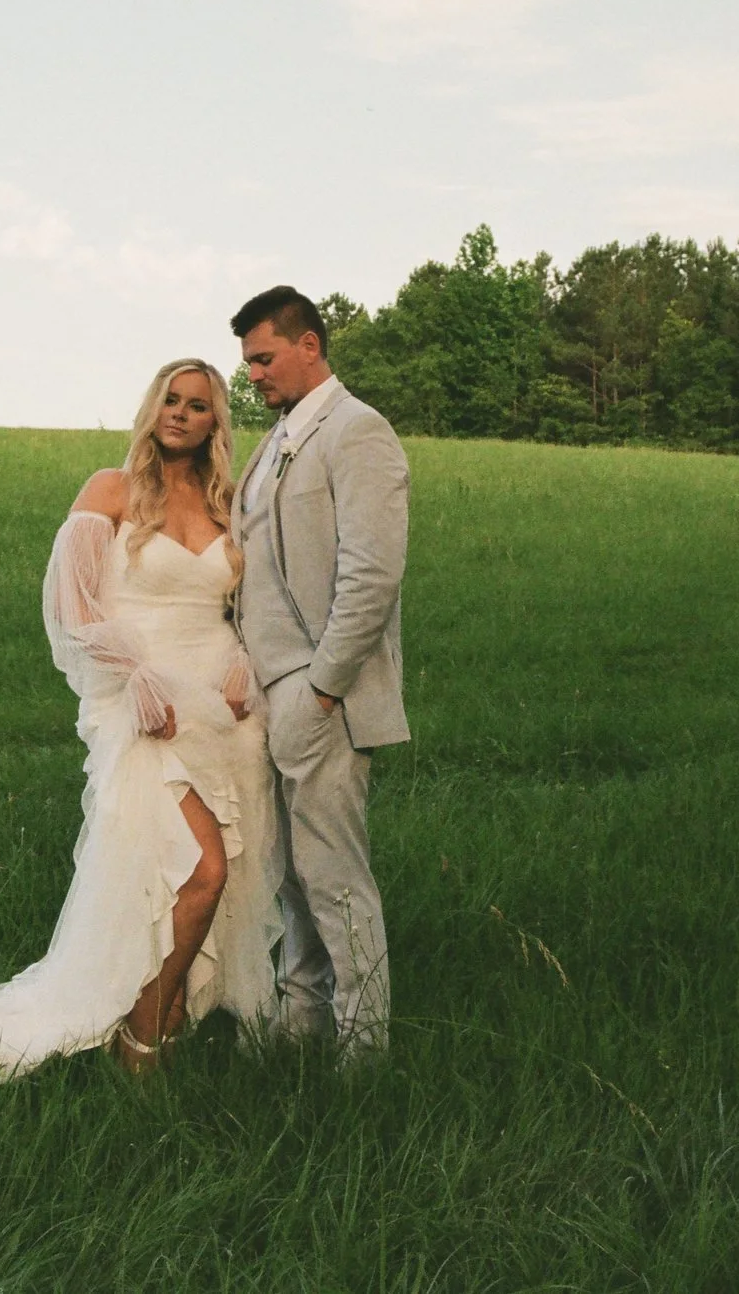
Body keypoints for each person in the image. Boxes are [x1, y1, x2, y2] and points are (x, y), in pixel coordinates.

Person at [0, 359, 280, 1100]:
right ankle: (146, 1030)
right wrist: (135, 675)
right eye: (169, 400)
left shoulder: (231, 504)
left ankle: (169, 1009)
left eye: (197, 405)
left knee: (226, 874)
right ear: (153, 409)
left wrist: (245, 658)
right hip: (142, 698)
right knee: (198, 868)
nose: (179, 413)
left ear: (216, 422)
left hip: (225, 705)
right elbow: (76, 608)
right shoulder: (109, 490)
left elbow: (253, 608)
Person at [231, 286, 409, 1056]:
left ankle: (364, 1049)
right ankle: (301, 1025)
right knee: (293, 876)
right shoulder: (274, 440)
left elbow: (370, 576)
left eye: (264, 359)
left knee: (334, 878)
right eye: (248, 364)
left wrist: (324, 686)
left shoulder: (358, 431)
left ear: (309, 345)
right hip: (272, 692)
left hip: (322, 693)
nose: (255, 376)